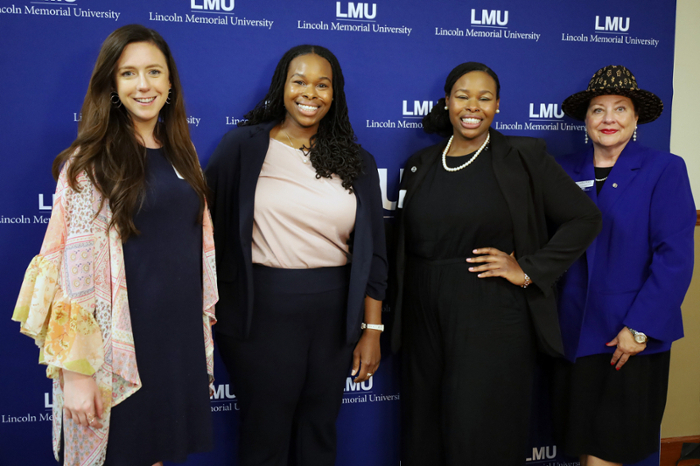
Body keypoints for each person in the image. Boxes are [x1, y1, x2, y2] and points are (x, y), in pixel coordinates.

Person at [11, 24, 217, 466]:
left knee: (159, 455)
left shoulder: (183, 153)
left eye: (154, 72)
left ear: (170, 83)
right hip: (118, 345)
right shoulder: (91, 163)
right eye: (128, 74)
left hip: (174, 340)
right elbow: (73, 277)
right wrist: (77, 371)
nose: (143, 85)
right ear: (111, 85)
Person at [389, 62, 602, 466]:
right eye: (463, 96)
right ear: (448, 102)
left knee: (481, 429)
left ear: (498, 106)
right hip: (422, 315)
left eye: (485, 98)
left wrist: (529, 270)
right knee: (424, 429)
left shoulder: (522, 157)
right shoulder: (420, 164)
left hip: (492, 313)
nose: (473, 106)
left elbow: (585, 218)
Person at [205, 44, 387, 466]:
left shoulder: (358, 161)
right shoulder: (243, 147)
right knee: (265, 431)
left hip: (335, 312)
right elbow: (204, 227)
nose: (311, 93)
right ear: (282, 87)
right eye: (299, 81)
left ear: (334, 93)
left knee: (319, 429)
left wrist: (372, 329)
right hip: (260, 308)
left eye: (322, 84)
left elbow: (374, 253)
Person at [553, 65, 695, 466]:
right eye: (598, 110)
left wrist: (640, 328)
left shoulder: (664, 169)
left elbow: (675, 258)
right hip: (574, 334)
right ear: (586, 120)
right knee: (585, 449)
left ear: (636, 120)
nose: (609, 119)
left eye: (620, 109)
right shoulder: (562, 170)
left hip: (629, 340)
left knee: (610, 451)